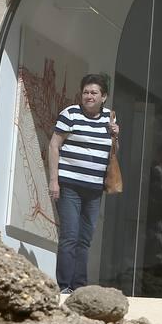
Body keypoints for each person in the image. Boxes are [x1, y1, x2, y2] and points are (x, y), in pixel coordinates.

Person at [48, 73, 120, 294]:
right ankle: (64, 287)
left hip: (94, 189)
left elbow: (113, 154)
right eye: (86, 92)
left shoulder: (110, 118)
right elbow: (53, 146)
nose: (89, 96)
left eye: (94, 93)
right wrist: (54, 181)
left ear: (104, 96)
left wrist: (116, 136)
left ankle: (79, 288)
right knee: (70, 236)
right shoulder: (70, 114)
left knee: (85, 240)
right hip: (70, 185)